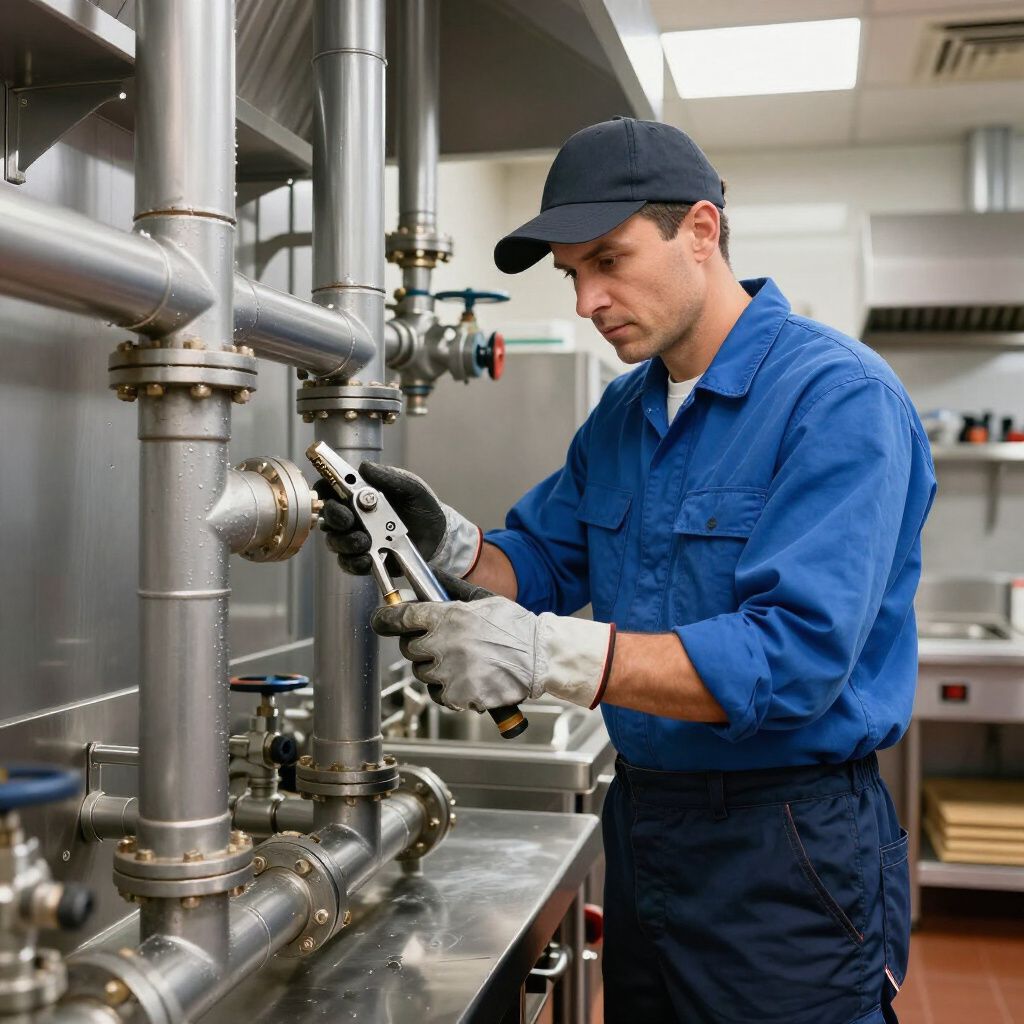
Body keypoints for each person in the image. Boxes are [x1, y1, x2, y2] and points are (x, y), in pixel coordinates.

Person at [318, 117, 936, 1024]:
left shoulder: (837, 401)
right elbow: (536, 564)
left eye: (609, 260)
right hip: (648, 831)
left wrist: (549, 657)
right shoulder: (622, 412)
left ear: (700, 230)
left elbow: (795, 658)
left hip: (787, 847)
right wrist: (441, 545)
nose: (586, 301)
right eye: (574, 273)